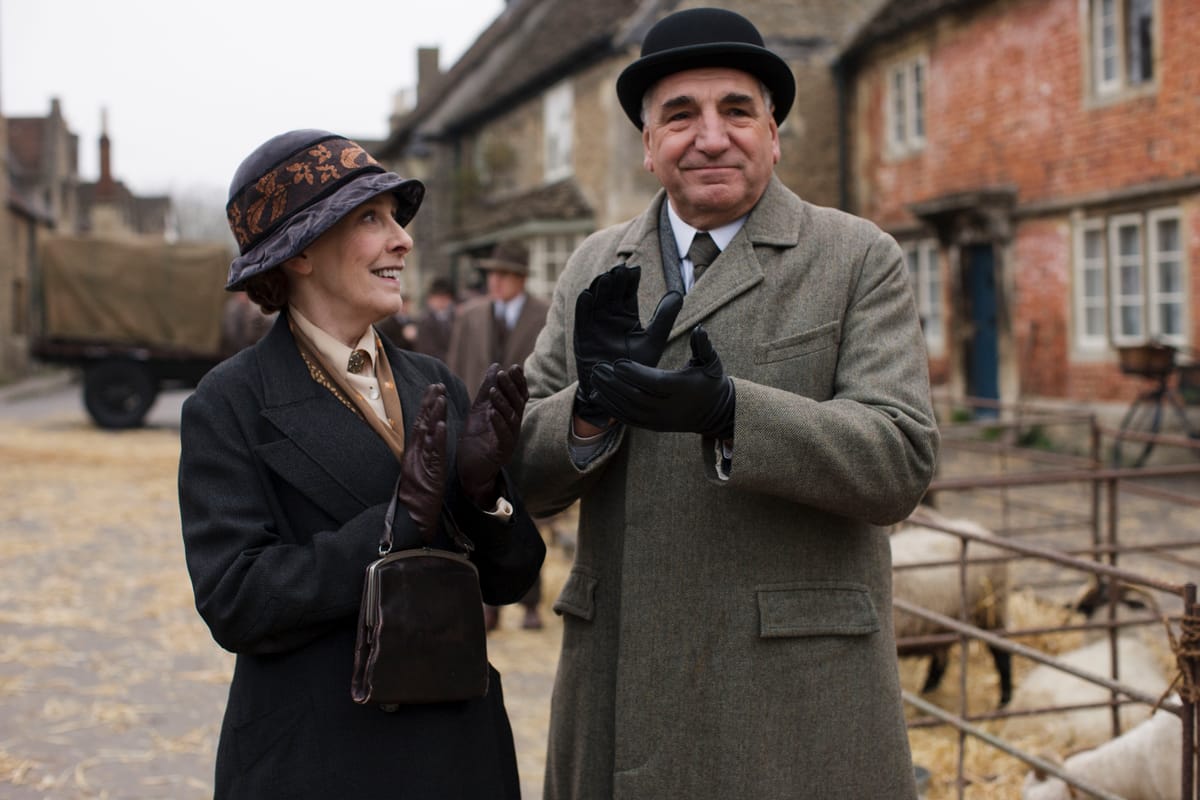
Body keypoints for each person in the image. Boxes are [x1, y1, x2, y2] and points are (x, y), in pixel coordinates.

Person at [509, 8, 939, 799]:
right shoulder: (595, 266)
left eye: (737, 110)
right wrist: (591, 408)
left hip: (793, 694)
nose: (710, 136)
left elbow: (901, 459)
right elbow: (525, 477)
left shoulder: (853, 258)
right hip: (620, 677)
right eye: (680, 115)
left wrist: (732, 412)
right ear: (647, 146)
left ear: (773, 135)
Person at [178, 129, 545, 800]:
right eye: (370, 219)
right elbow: (236, 601)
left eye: (394, 219)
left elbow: (511, 580)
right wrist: (393, 527)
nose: (402, 239)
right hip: (318, 760)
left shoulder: (433, 380)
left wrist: (484, 492)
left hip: (459, 754)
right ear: (301, 251)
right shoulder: (230, 402)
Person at [447, 239, 550, 631]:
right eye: (492, 273)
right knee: (477, 516)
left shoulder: (544, 315)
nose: (495, 281)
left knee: (527, 516)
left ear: (521, 277)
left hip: (525, 429)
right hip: (477, 437)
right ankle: (488, 601)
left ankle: (530, 602)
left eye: (503, 274)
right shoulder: (470, 315)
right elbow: (454, 368)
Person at [412, 276, 458, 361]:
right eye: (439, 298)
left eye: (445, 298)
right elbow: (426, 349)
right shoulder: (425, 320)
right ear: (431, 299)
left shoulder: (455, 318)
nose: (442, 301)